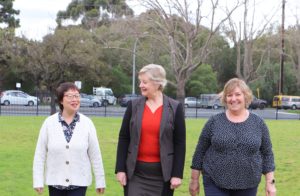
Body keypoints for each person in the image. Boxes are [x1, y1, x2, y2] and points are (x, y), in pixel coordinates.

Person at [189, 78, 276, 196]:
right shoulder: (214, 121)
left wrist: (270, 183)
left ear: (246, 96)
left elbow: (267, 154)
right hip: (214, 180)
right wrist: (194, 180)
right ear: (225, 99)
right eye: (229, 95)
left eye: (237, 94)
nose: (233, 99)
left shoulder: (258, 123)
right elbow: (200, 151)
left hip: (248, 182)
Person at [115, 64, 186, 196]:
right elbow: (124, 138)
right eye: (140, 81)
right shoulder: (133, 106)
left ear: (157, 83)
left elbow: (180, 143)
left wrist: (177, 174)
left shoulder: (175, 108)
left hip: (163, 175)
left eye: (144, 82)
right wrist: (120, 169)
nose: (140, 85)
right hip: (135, 173)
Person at [33, 82, 106, 196]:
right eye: (70, 96)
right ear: (61, 100)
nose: (75, 99)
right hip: (55, 182)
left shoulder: (87, 123)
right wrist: (38, 180)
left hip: (79, 182)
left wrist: (100, 181)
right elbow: (40, 154)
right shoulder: (49, 123)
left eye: (77, 96)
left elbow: (95, 155)